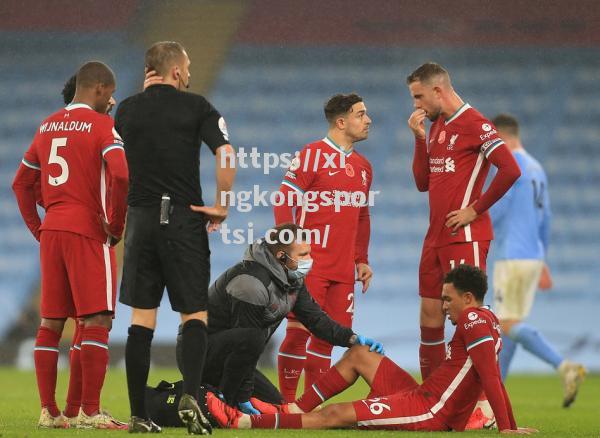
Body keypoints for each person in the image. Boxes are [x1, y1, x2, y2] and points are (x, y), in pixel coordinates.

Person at [205, 265, 538, 434]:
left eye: (448, 299)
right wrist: (509, 422)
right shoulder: (486, 319)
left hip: (432, 411)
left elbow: (491, 377)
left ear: (468, 299)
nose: (444, 306)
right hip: (425, 394)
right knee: (361, 354)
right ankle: (292, 409)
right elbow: (489, 375)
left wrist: (508, 427)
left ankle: (242, 422)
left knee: (334, 416)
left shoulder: (474, 321)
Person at [115, 41, 236, 434]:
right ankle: (190, 396)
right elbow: (226, 153)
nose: (190, 73)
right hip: (182, 218)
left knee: (141, 319)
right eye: (188, 66)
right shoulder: (197, 106)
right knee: (194, 313)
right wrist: (222, 204)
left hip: (141, 218)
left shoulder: (127, 110)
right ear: (178, 72)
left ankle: (137, 415)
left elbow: (110, 164)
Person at [12, 61, 129, 429]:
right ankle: (90, 413)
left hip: (54, 231)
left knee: (50, 322)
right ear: (98, 89)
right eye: (109, 95)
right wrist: (115, 223)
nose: (111, 102)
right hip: (87, 230)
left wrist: (38, 229)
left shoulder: (46, 125)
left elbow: (21, 183)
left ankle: (51, 411)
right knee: (96, 319)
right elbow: (122, 173)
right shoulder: (102, 125)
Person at [173, 223, 383, 416]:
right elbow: (247, 340)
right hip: (198, 355)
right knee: (252, 340)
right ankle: (225, 402)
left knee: (276, 404)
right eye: (303, 254)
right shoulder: (250, 284)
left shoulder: (293, 280)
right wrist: (242, 397)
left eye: (309, 252)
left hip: (233, 354)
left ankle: (220, 397)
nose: (310, 259)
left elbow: (317, 321)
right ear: (282, 256)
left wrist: (353, 339)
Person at [406, 62, 521, 382]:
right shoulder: (436, 125)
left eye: (418, 97)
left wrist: (475, 209)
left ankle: (481, 402)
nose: (416, 105)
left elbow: (511, 169)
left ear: (438, 90)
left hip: (465, 235)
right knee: (429, 316)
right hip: (435, 236)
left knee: (470, 319)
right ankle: (430, 395)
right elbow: (422, 182)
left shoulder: (475, 123)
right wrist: (418, 138)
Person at [274, 93, 374, 401]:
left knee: (327, 341)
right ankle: (286, 403)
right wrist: (290, 247)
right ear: (342, 122)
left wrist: (361, 259)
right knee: (297, 334)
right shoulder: (311, 155)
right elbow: (284, 200)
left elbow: (362, 216)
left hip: (344, 271)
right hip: (311, 266)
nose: (368, 120)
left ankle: (306, 411)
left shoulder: (363, 167)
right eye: (361, 114)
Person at [489, 114, 586, 407]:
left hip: (512, 255)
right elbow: (547, 216)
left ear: (502, 138)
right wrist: (541, 258)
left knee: (505, 324)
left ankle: (564, 366)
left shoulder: (511, 165)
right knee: (509, 325)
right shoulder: (537, 167)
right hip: (530, 255)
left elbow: (497, 208)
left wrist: (471, 223)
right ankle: (497, 399)